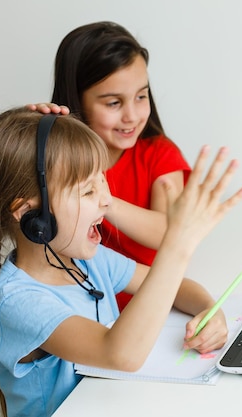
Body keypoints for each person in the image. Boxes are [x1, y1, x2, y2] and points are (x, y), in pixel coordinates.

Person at [0, 108, 242, 416]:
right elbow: (119, 353)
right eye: (88, 190)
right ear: (32, 214)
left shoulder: (90, 262)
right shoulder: (19, 302)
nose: (107, 199)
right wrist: (178, 245)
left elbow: (179, 288)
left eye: (103, 181)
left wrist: (209, 311)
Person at [30, 21, 190, 310]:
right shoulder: (63, 157)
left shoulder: (159, 154)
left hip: (148, 306)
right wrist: (37, 141)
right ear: (76, 99)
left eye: (141, 96)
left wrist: (101, 200)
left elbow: (170, 232)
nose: (131, 115)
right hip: (74, 307)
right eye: (114, 103)